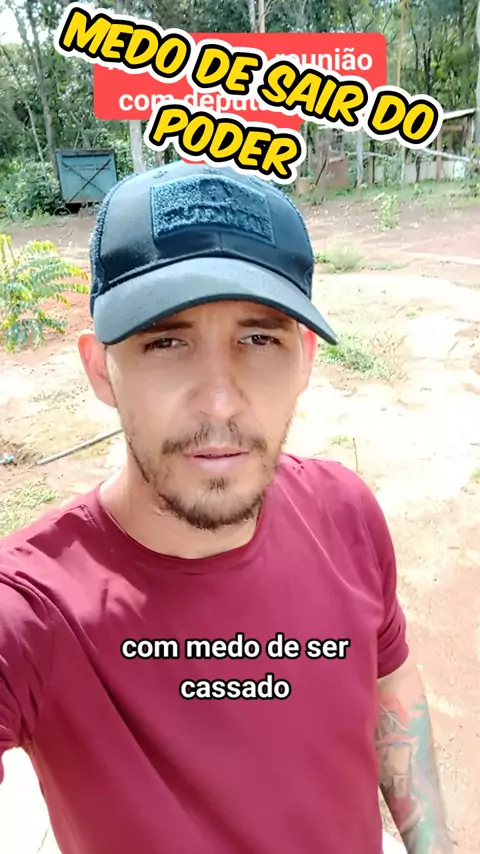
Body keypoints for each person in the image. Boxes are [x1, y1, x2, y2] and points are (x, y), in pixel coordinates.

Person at [0, 162, 452, 854]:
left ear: (304, 360)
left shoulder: (347, 514)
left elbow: (390, 680)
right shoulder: (32, 611)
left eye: (258, 339)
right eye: (166, 341)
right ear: (100, 370)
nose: (218, 400)